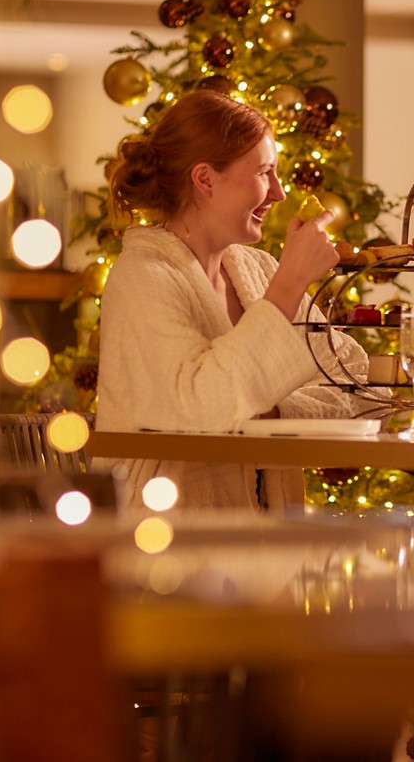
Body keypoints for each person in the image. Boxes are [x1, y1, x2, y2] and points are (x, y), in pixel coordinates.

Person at [95, 89, 368, 511]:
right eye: (265, 173)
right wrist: (289, 284)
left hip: (265, 542)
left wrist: (273, 416)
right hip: (165, 543)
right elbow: (204, 407)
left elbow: (356, 382)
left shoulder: (257, 269)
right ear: (205, 179)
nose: (279, 193)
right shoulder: (143, 277)